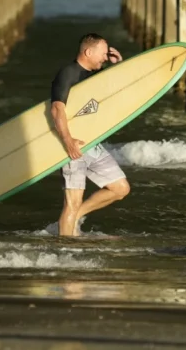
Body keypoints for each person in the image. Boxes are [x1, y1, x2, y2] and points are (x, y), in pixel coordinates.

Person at [50, 33, 131, 236]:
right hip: (73, 144)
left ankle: (77, 216)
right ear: (88, 52)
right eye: (103, 53)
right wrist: (68, 142)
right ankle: (65, 252)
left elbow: (120, 92)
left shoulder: (96, 74)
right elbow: (57, 110)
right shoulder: (68, 74)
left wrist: (117, 66)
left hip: (92, 143)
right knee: (72, 201)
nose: (105, 57)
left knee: (120, 188)